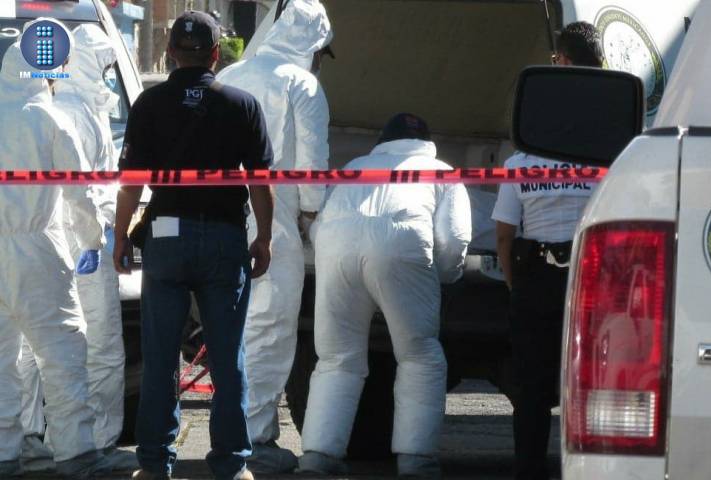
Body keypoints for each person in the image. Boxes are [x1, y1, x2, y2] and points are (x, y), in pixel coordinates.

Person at [112, 11, 274, 480]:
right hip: (224, 239)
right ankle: (232, 465)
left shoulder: (149, 104)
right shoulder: (242, 104)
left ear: (169, 53)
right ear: (216, 54)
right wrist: (263, 237)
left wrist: (121, 236)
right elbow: (260, 183)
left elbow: (130, 183)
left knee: (161, 356)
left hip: (166, 237)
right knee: (227, 356)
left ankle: (153, 464)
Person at [298, 114, 472, 478]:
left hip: (335, 248)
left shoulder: (354, 167)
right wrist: (440, 277)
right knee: (420, 356)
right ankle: (416, 460)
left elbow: (320, 224)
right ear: (426, 143)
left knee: (336, 358)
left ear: (382, 141)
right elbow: (455, 239)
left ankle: (318, 456)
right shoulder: (443, 172)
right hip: (401, 248)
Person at [215, 0, 331, 472]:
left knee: (231, 326)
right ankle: (254, 437)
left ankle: (228, 430)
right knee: (269, 326)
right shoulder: (303, 84)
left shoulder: (230, 75)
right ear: (312, 44)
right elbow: (312, 162)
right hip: (274, 217)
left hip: (220, 212)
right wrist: (312, 214)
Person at [17, 23, 135, 472]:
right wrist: (98, 238)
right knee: (98, 343)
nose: (107, 78)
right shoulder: (80, 113)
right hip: (84, 241)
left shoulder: (49, 108)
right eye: (104, 67)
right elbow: (88, 190)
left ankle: (29, 436)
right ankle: (96, 441)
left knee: (37, 343)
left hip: (47, 242)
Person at [492, 21, 604, 480]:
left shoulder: (521, 161)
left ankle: (529, 468)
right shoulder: (611, 152)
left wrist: (516, 284)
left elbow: (504, 234)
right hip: (594, 277)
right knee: (595, 378)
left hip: (537, 277)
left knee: (532, 386)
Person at [0, 38, 110, 479]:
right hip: (36, 250)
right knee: (62, 351)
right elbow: (79, 190)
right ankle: (75, 452)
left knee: (1, 360)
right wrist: (92, 240)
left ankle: (4, 454)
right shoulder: (48, 117)